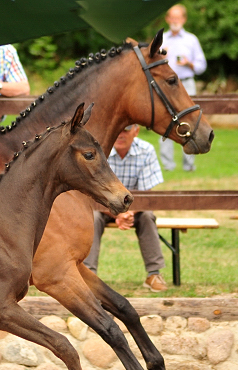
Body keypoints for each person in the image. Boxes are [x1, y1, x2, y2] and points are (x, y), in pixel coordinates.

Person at [84, 124, 168, 292]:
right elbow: (92, 192)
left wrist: (127, 213)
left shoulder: (146, 150)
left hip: (135, 207)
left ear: (136, 131)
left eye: (126, 130)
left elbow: (145, 193)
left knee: (147, 216)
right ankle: (87, 275)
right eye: (118, 130)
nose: (121, 134)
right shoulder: (99, 151)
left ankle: (154, 274)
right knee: (92, 217)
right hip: (102, 205)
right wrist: (117, 214)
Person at [159, 3, 206, 172]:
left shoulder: (191, 40)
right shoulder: (162, 39)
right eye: (172, 17)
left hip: (186, 83)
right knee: (164, 121)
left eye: (178, 17)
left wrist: (189, 63)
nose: (175, 20)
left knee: (189, 122)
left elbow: (202, 66)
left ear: (184, 19)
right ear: (167, 19)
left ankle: (189, 166)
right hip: (164, 86)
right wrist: (161, 54)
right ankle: (168, 166)